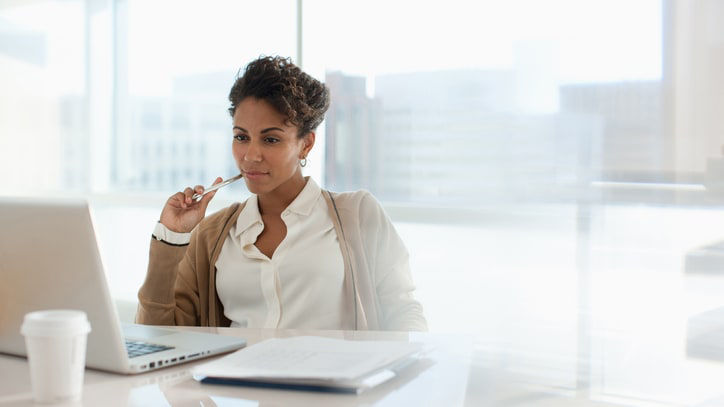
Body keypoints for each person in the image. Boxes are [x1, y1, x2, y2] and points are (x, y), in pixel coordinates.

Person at [136, 56, 427, 331]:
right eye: (241, 137)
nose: (250, 155)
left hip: (331, 382)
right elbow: (160, 338)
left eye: (271, 139)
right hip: (234, 384)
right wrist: (172, 236)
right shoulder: (212, 235)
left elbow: (404, 313)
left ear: (306, 144)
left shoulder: (358, 214)